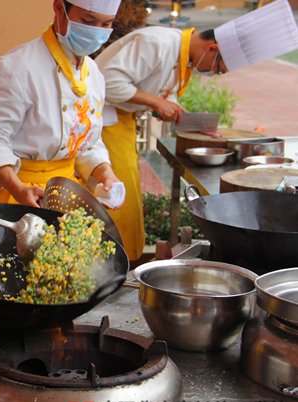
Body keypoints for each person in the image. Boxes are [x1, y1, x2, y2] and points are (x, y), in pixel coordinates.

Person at [95, 0, 298, 261]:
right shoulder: (158, 43)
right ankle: (110, 263)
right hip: (104, 126)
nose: (212, 73)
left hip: (121, 126)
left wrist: (181, 114)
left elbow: (155, 90)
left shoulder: (180, 56)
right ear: (212, 49)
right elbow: (107, 81)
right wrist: (156, 102)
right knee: (117, 203)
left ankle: (121, 262)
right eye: (217, 70)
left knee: (126, 202)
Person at [0, 0, 122, 208]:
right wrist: (18, 188)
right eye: (88, 21)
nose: (96, 31)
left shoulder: (93, 74)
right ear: (59, 8)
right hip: (22, 194)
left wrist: (105, 173)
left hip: (69, 193)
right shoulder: (16, 67)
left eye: (106, 24)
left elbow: (88, 142)